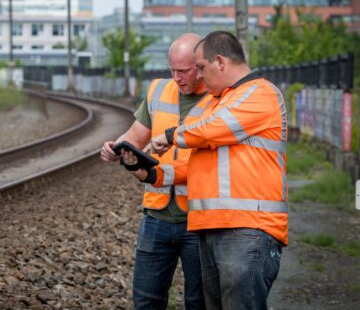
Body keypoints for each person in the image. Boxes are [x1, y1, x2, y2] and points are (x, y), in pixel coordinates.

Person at [151, 30, 288, 310]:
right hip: (213, 228)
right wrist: (154, 174)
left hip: (247, 228)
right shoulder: (221, 100)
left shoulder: (260, 94)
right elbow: (200, 162)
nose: (199, 76)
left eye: (201, 68)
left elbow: (208, 130)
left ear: (221, 62)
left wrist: (170, 134)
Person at [101, 33, 210, 310]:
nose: (176, 77)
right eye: (171, 69)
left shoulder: (218, 99)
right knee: (146, 301)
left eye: (183, 70)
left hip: (200, 220)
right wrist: (117, 146)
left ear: (200, 66)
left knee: (200, 302)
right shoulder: (159, 90)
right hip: (156, 215)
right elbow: (136, 136)